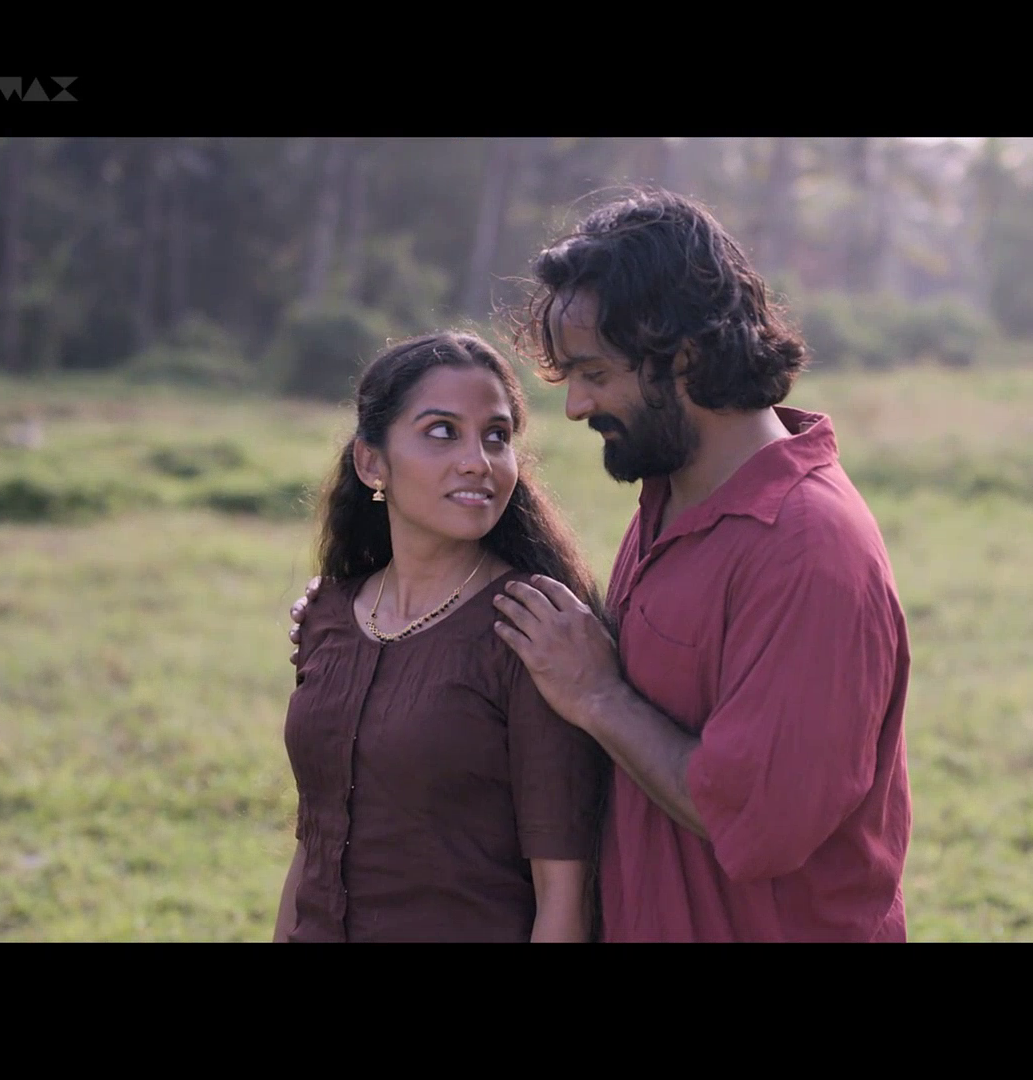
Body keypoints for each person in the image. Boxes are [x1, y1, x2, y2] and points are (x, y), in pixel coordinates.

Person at [290, 188, 912, 942]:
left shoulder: (807, 547)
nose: (576, 406)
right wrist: (367, 644)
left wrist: (598, 694)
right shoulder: (672, 499)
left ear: (681, 355)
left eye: (593, 373)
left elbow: (759, 822)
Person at [274, 330, 610, 943]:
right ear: (372, 462)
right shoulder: (330, 615)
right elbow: (312, 844)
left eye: (496, 436)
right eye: (441, 431)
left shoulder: (530, 630)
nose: (478, 461)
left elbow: (563, 896)